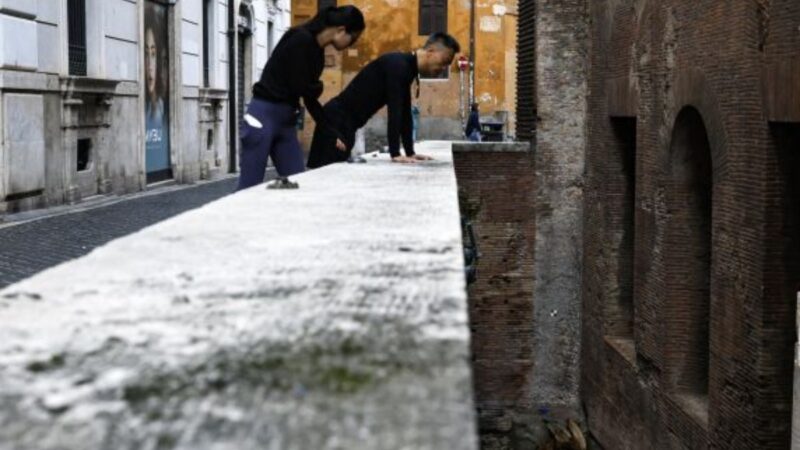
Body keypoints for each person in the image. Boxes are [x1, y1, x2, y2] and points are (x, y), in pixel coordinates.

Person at [237, 6, 365, 190]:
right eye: (353, 39)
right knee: (248, 188)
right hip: (262, 116)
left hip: (286, 121)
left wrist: (331, 132)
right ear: (341, 30)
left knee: (298, 184)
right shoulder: (300, 39)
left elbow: (309, 97)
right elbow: (302, 87)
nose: (351, 45)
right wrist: (316, 87)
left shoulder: (318, 54)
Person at [306, 32, 461, 169]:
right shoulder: (399, 66)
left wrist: (410, 152)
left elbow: (405, 112)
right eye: (444, 61)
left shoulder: (405, 67)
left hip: (345, 125)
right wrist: (395, 153)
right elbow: (395, 111)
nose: (443, 68)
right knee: (320, 177)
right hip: (335, 123)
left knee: (332, 176)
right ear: (431, 52)